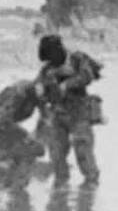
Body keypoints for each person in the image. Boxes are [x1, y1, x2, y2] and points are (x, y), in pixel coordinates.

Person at [35, 35, 100, 184]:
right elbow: (39, 87)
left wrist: (67, 84)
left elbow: (87, 76)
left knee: (83, 149)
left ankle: (90, 185)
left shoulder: (76, 59)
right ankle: (61, 183)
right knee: (56, 152)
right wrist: (40, 90)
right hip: (58, 113)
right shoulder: (47, 69)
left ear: (59, 49)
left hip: (80, 112)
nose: (51, 59)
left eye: (52, 55)